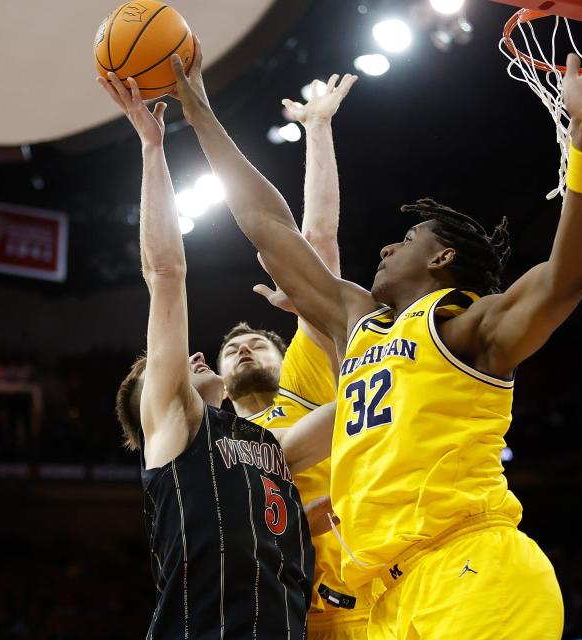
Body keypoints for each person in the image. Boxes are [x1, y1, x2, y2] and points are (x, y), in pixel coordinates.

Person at [169, 16, 582, 638]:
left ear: (440, 259)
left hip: (473, 571)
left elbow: (567, 278)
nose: (385, 249)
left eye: (406, 239)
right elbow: (269, 229)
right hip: (388, 600)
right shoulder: (359, 324)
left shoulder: (464, 326)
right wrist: (201, 113)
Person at [98, 71, 333, 639]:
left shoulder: (263, 442)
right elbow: (166, 273)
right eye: (157, 369)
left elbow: (354, 408)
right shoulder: (175, 431)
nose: (193, 356)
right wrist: (153, 148)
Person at [217, 74, 372, 639]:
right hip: (271, 605)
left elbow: (319, 242)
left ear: (286, 357)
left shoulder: (306, 377)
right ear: (223, 381)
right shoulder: (216, 435)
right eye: (232, 350)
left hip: (358, 585)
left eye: (257, 342)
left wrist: (319, 129)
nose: (243, 350)